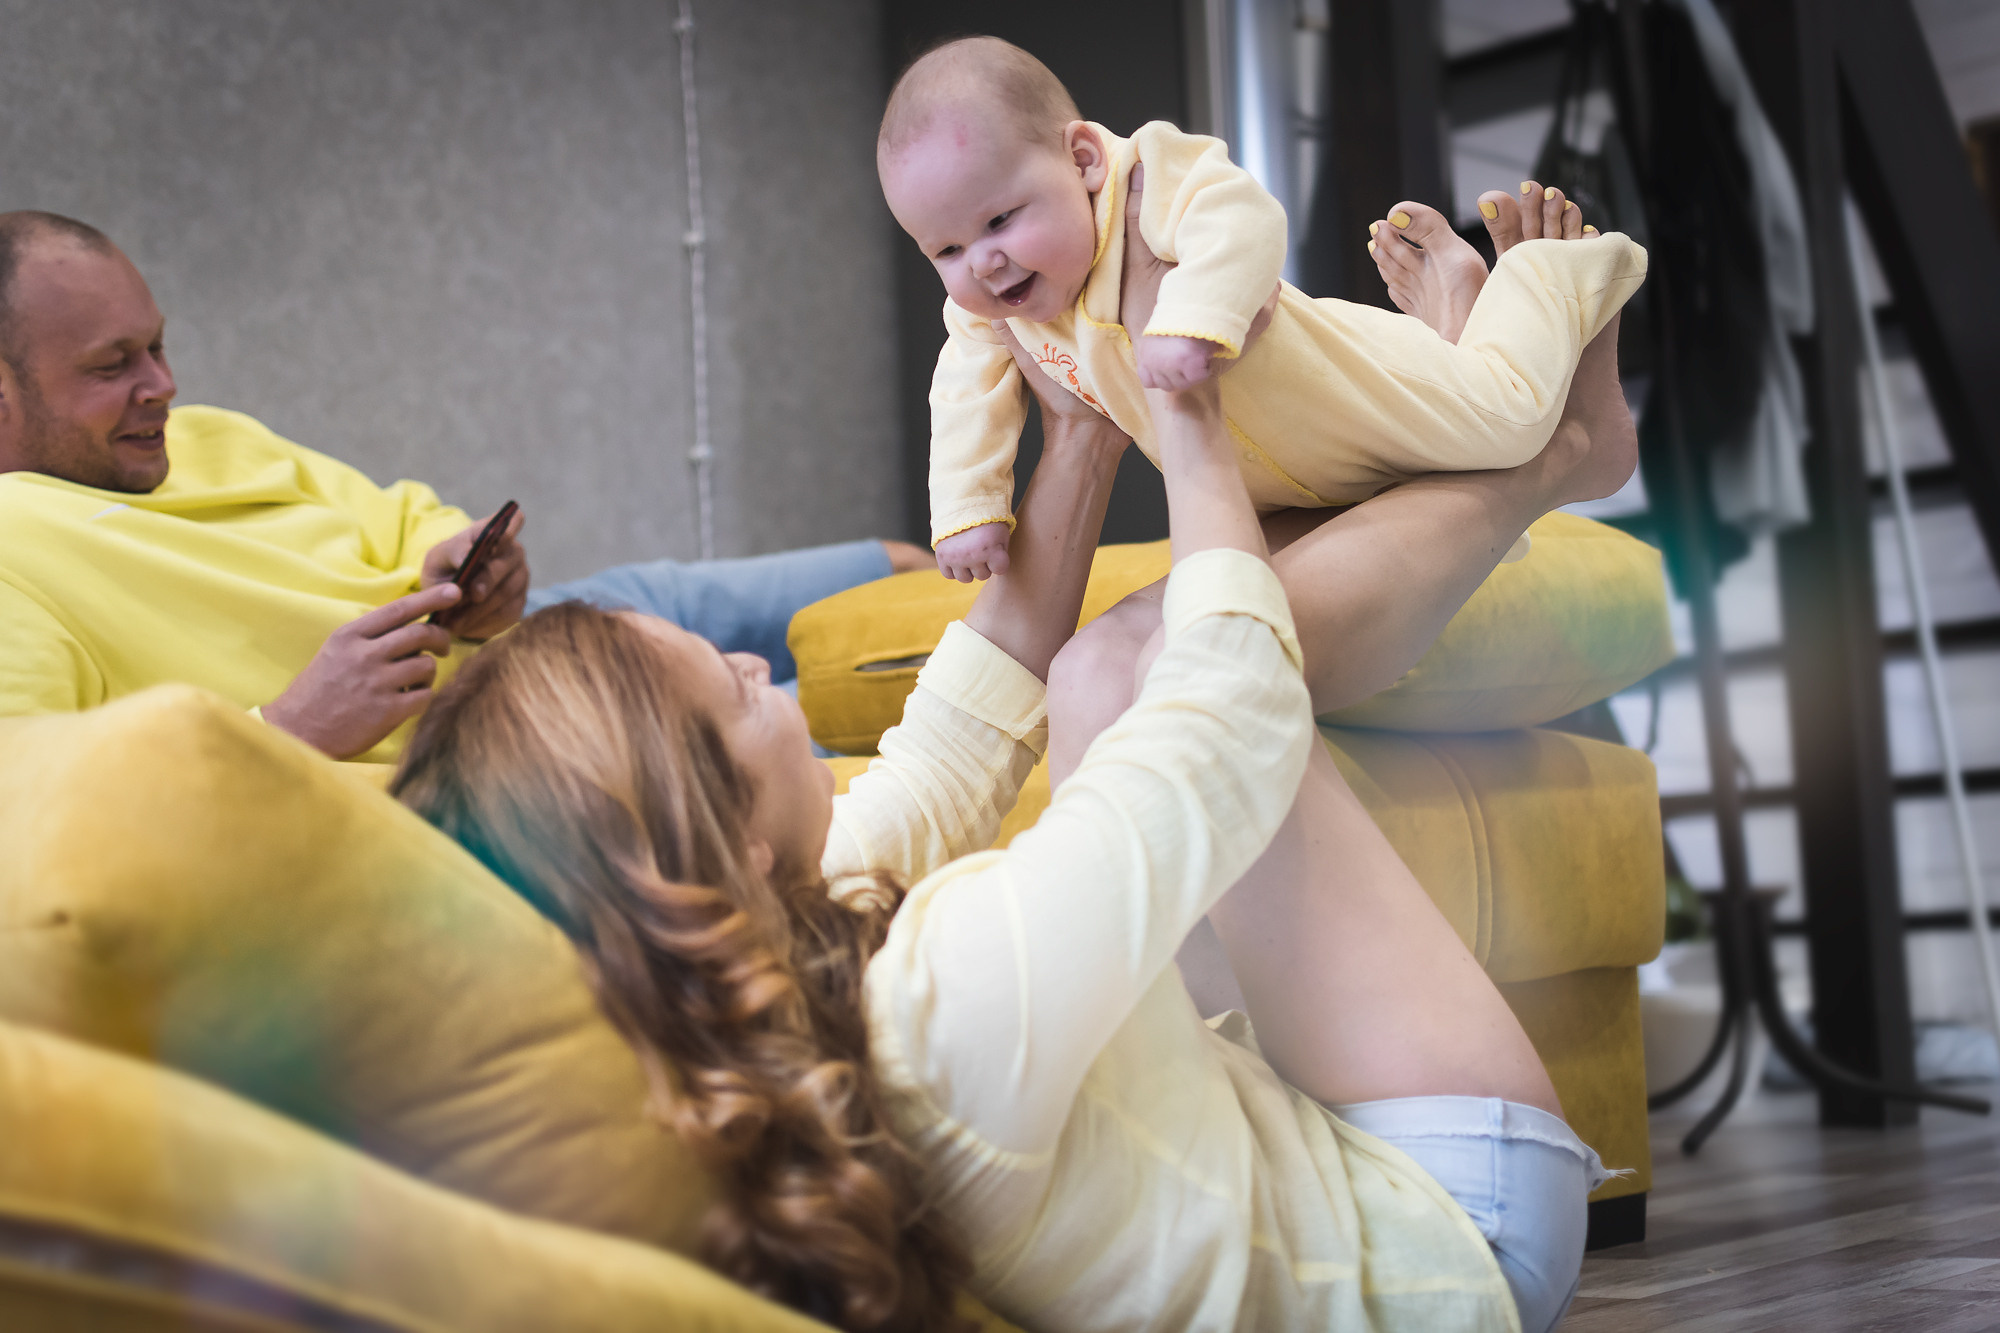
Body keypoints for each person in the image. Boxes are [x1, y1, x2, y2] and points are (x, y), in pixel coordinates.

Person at [392, 179, 1638, 1332]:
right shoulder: (953, 1002)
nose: (758, 671)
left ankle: (1483, 421)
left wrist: (1079, 426)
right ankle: (1552, 451)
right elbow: (1229, 714)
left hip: (1279, 1145)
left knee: (1098, 671)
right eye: (731, 688)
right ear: (726, 837)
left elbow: (962, 728)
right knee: (1162, 663)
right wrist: (1185, 409)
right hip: (1458, 1229)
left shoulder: (776, 963)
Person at [0, 210, 928, 762]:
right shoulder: (15, 563)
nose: (161, 385)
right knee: (904, 704)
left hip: (543, 625)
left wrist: (464, 568)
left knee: (898, 565)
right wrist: (287, 730)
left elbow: (402, 516)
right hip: (503, 736)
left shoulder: (199, 436)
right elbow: (42, 832)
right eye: (113, 365)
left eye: (157, 346)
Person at [878, 36, 1644, 583]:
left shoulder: (1143, 177)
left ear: (1081, 160)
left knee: (1507, 418)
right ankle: (1456, 323)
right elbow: (964, 396)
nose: (982, 262)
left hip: (1359, 395)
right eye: (946, 249)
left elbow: (1241, 216)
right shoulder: (994, 312)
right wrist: (969, 513)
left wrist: (1192, 319)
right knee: (1383, 536)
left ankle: (1549, 275)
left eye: (1000, 220)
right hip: (1279, 480)